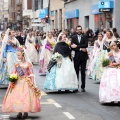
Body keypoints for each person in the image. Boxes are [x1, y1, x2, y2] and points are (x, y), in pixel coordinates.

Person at [2, 47, 41, 118]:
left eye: (19, 55)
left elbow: (31, 73)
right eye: (17, 55)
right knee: (18, 97)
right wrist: (12, 79)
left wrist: (32, 82)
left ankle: (25, 112)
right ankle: (19, 112)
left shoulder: (28, 64)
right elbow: (14, 72)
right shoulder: (17, 64)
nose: (17, 56)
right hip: (18, 82)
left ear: (23, 55)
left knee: (25, 97)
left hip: (26, 82)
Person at [71, 25, 88, 92]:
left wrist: (77, 46)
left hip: (83, 57)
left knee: (83, 72)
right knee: (76, 72)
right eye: (77, 29)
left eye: (80, 29)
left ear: (81, 30)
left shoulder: (85, 36)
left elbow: (86, 45)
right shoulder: (73, 37)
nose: (79, 30)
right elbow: (72, 46)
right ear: (76, 30)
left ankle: (83, 86)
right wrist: (81, 48)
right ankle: (76, 85)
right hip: (76, 57)